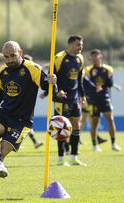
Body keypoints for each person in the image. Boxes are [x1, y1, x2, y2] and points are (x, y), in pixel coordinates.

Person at [0, 41, 57, 195]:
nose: (10, 59)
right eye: (6, 56)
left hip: (22, 122)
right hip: (4, 114)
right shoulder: (3, 71)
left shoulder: (33, 68)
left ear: (21, 52)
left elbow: (48, 88)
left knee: (3, 150)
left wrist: (53, 83)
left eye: (13, 55)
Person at [51, 35, 87, 166]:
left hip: (75, 99)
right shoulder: (59, 58)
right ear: (70, 44)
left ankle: (74, 157)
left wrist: (82, 96)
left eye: (81, 45)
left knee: (77, 126)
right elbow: (51, 78)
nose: (80, 47)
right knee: (60, 127)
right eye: (78, 44)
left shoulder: (80, 59)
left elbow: (80, 79)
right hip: (62, 99)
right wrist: (57, 91)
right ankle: (61, 159)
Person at [83, 49, 122, 152]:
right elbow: (85, 84)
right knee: (94, 122)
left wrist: (111, 81)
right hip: (93, 99)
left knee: (110, 119)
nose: (95, 58)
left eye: (97, 56)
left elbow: (109, 84)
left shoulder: (108, 69)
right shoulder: (88, 70)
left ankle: (114, 143)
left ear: (101, 57)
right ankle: (95, 145)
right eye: (93, 56)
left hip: (105, 98)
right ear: (91, 58)